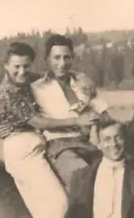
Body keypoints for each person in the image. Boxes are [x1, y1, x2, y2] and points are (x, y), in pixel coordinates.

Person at [0, 41, 96, 218]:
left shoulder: (26, 79)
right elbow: (39, 122)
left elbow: (56, 75)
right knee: (57, 203)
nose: (22, 72)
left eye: (26, 66)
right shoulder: (9, 92)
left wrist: (79, 74)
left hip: (37, 145)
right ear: (6, 66)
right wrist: (75, 122)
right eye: (16, 67)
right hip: (22, 149)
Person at [31, 34, 111, 176]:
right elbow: (37, 121)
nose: (62, 63)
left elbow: (104, 114)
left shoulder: (81, 84)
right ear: (47, 59)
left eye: (66, 57)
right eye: (56, 57)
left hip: (90, 144)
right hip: (60, 145)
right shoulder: (36, 88)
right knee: (82, 176)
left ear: (72, 58)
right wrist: (76, 121)